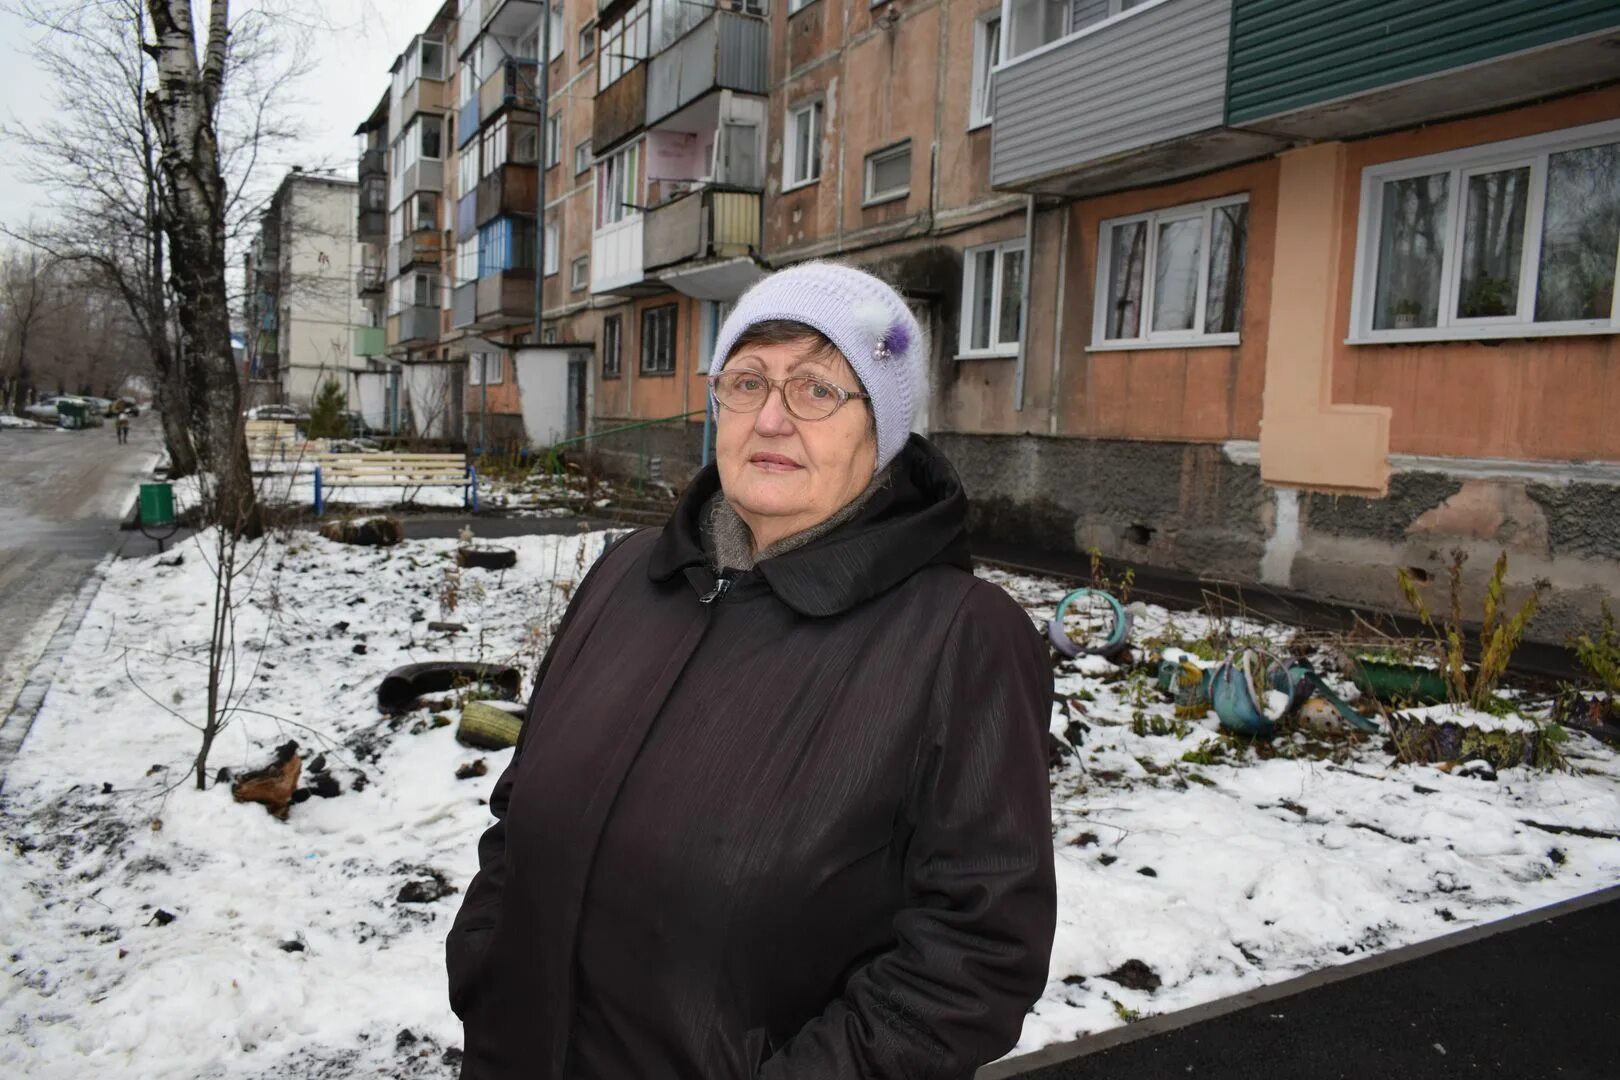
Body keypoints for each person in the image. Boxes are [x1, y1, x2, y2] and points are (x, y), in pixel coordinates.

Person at [447, 261, 1056, 1080]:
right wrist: (484, 962)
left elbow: (977, 950)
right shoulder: (629, 574)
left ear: (885, 431)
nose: (770, 418)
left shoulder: (960, 639)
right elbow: (521, 808)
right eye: (746, 382)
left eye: (816, 389)